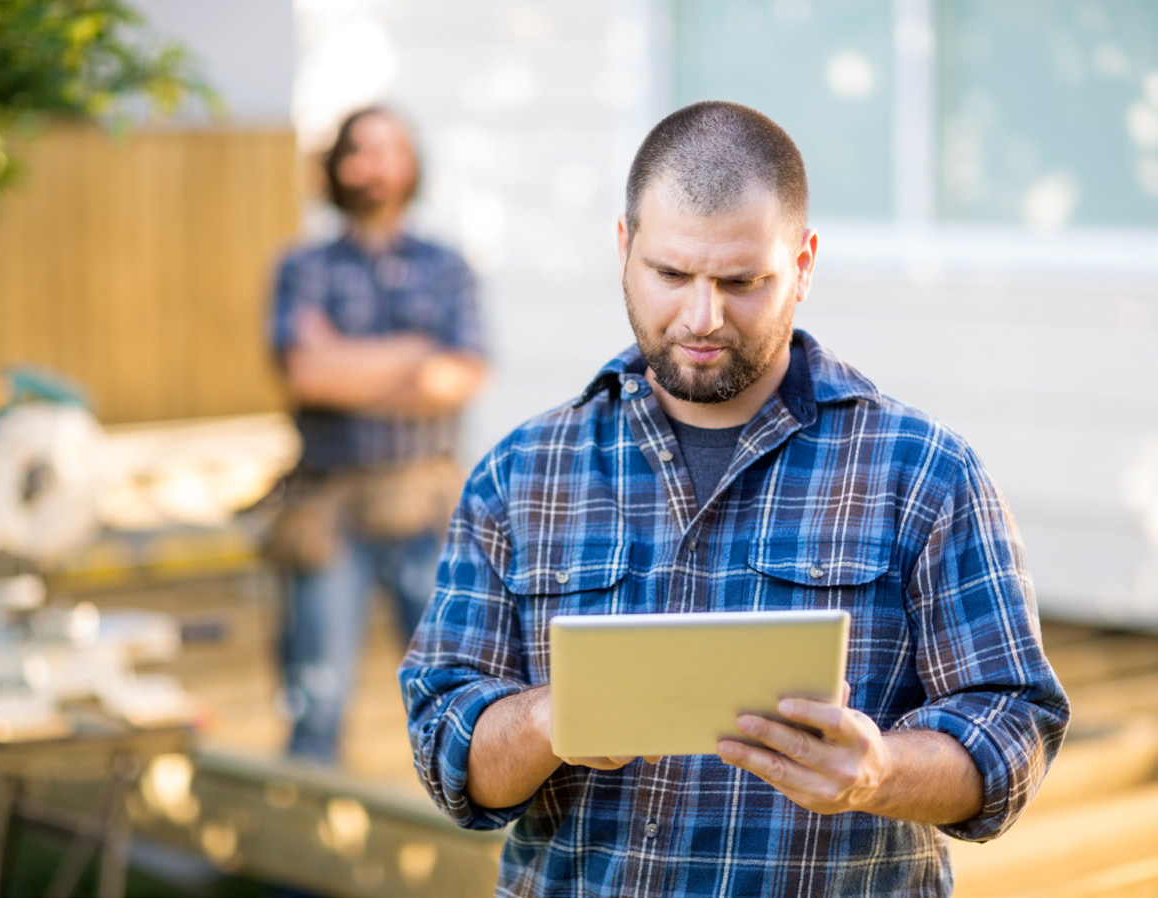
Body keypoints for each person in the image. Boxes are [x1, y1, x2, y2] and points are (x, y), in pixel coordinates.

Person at [398, 101, 1069, 896]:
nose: (702, 316)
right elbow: (446, 748)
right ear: (624, 248)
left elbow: (1013, 727)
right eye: (671, 275)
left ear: (805, 262)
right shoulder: (520, 473)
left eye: (742, 281)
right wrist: (554, 718)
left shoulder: (922, 470)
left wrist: (879, 772)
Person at [267, 106, 487, 762]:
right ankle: (295, 865)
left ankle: (466, 849)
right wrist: (417, 354)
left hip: (427, 510)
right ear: (336, 167)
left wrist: (349, 361)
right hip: (328, 511)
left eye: (391, 148)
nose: (375, 164)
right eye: (359, 150)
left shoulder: (448, 266)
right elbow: (307, 375)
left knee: (455, 698)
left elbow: (460, 376)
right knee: (315, 700)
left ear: (412, 164)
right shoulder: (300, 266)